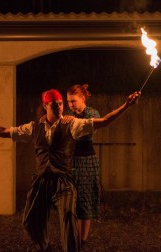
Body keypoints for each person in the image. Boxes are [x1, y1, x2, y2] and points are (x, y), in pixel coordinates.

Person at [0, 89, 141, 252]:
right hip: (41, 181)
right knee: (29, 221)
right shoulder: (33, 127)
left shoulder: (72, 124)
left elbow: (103, 122)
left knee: (69, 217)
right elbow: (3, 131)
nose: (59, 106)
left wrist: (126, 105)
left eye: (60, 103)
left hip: (63, 181)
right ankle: (45, 246)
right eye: (54, 103)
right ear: (45, 105)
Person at [66, 84, 101, 248]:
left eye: (73, 101)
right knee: (70, 200)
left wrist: (73, 121)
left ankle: (82, 240)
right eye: (69, 102)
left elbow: (87, 129)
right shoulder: (68, 115)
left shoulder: (92, 113)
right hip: (71, 160)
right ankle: (72, 236)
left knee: (85, 199)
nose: (71, 105)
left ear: (83, 98)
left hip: (86, 160)